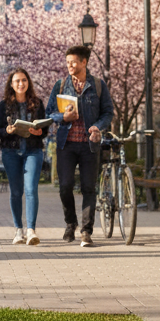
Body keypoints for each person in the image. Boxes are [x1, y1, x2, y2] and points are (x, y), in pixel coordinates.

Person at [46, 45, 114, 248]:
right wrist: (63, 117)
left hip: (89, 146)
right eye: (68, 62)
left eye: (74, 62)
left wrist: (98, 127)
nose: (70, 65)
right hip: (66, 145)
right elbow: (49, 113)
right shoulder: (60, 85)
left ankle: (86, 231)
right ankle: (70, 223)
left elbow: (108, 113)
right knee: (65, 186)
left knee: (88, 188)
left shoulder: (98, 86)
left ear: (84, 62)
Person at [0, 67, 49, 245]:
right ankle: (19, 230)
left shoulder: (37, 103)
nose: (21, 84)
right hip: (11, 152)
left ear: (28, 82)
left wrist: (40, 131)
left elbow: (45, 129)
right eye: (17, 81)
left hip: (33, 150)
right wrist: (7, 131)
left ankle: (31, 230)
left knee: (31, 190)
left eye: (24, 80)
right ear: (11, 84)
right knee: (16, 192)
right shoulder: (4, 106)